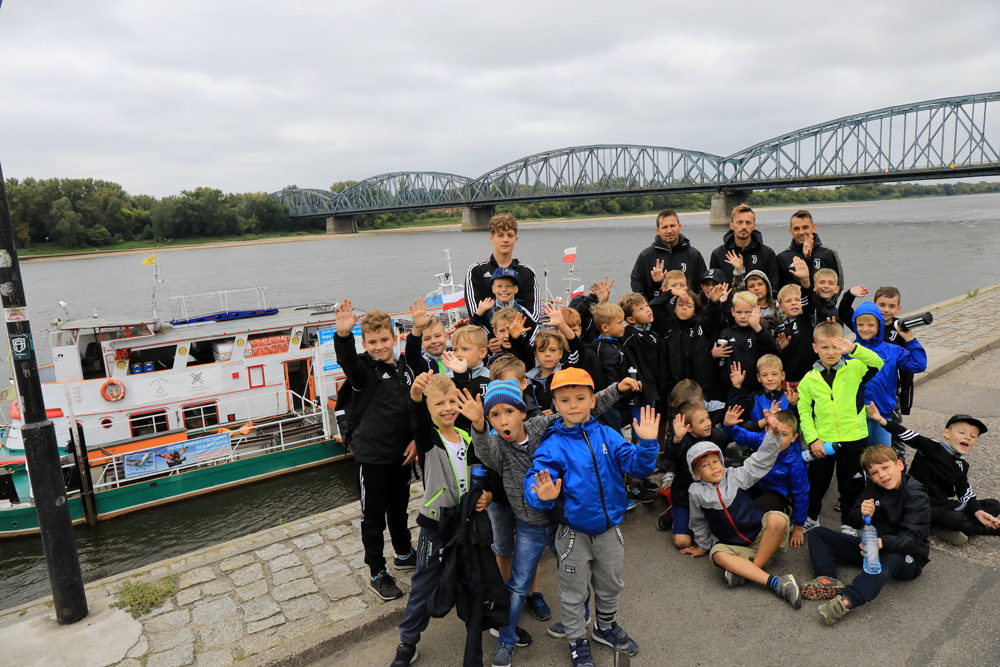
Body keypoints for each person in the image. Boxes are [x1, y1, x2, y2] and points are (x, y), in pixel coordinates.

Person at [465, 375, 637, 667]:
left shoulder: (541, 425)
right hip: (530, 524)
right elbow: (483, 450)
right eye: (494, 415)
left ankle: (578, 623)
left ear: (522, 412)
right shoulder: (497, 446)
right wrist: (479, 426)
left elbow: (582, 408)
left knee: (575, 577)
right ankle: (506, 639)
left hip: (563, 521)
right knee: (519, 583)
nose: (503, 420)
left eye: (509, 411)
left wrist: (617, 389)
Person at [525, 368, 659, 667]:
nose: (573, 405)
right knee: (573, 593)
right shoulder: (553, 445)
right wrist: (541, 494)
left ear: (592, 400)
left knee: (611, 585)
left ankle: (604, 627)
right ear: (555, 405)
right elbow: (535, 480)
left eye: (580, 398)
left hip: (610, 530)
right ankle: (576, 640)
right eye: (565, 400)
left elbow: (637, 467)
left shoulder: (608, 434)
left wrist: (648, 445)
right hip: (573, 534)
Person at [391, 373, 495, 667]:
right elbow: (417, 420)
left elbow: (485, 468)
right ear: (428, 409)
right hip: (435, 527)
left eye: (452, 401)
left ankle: (494, 623)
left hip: (468, 524)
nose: (448, 408)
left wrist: (487, 495)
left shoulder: (468, 436)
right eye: (439, 404)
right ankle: (408, 641)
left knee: (478, 578)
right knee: (424, 583)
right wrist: (415, 396)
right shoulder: (429, 439)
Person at [333, 301, 415, 602]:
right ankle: (377, 571)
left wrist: (416, 440)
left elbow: (414, 408)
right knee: (374, 517)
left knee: (399, 508)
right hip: (373, 458)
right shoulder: (363, 373)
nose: (379, 347)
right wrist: (343, 335)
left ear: (394, 338)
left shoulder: (404, 369)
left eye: (384, 340)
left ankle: (403, 553)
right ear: (364, 344)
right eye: (372, 342)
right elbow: (347, 361)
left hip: (401, 456)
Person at [681, 409, 802, 609]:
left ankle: (751, 572)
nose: (714, 467)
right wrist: (702, 546)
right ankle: (776, 582)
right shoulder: (695, 491)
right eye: (705, 465)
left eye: (716, 461)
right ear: (697, 474)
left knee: (779, 519)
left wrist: (775, 434)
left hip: (763, 541)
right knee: (717, 554)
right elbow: (698, 521)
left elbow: (761, 460)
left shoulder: (735, 476)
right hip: (736, 550)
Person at [801, 445, 930, 626]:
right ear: (870, 477)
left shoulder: (915, 495)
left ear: (900, 465)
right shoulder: (873, 488)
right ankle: (827, 579)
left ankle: (847, 599)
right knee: (819, 533)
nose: (882, 475)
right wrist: (862, 514)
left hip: (906, 556)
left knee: (890, 556)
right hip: (871, 547)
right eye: (875, 472)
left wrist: (882, 542)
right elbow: (852, 519)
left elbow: (912, 540)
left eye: (886, 467)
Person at [796, 322, 884, 535]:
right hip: (823, 442)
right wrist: (813, 439)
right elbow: (804, 412)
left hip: (854, 438)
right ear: (815, 348)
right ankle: (811, 517)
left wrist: (854, 349)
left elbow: (878, 363)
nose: (830, 352)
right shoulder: (808, 380)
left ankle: (849, 523)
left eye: (835, 347)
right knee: (816, 483)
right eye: (824, 347)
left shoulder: (855, 368)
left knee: (851, 485)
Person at [867, 407, 1000, 545]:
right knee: (955, 519)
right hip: (916, 504)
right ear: (946, 433)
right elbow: (907, 435)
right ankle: (979, 528)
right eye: (962, 432)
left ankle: (937, 525)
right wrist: (881, 420)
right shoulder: (931, 447)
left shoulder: (963, 465)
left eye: (973, 436)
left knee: (994, 505)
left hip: (941, 504)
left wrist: (978, 512)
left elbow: (964, 490)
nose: (968, 437)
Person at [723, 406, 809, 548]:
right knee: (734, 496)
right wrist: (728, 425)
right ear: (767, 430)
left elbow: (802, 494)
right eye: (774, 431)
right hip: (755, 483)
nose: (778, 438)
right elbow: (741, 435)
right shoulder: (761, 439)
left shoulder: (795, 464)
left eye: (784, 434)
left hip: (776, 494)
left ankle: (785, 511)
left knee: (754, 510)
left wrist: (798, 528)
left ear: (794, 438)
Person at [850, 302, 927, 455]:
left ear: (879, 326)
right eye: (860, 324)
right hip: (854, 416)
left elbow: (918, 365)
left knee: (881, 455)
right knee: (857, 457)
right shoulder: (849, 350)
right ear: (854, 325)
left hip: (882, 413)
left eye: (871, 325)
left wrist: (910, 339)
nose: (865, 329)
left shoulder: (892, 350)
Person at [466, 214, 539, 322]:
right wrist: (495, 332)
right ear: (492, 238)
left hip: (520, 331)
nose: (505, 240)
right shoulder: (476, 271)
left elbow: (533, 315)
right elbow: (474, 313)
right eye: (500, 235)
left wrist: (514, 332)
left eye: (510, 235)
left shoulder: (527, 272)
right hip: (487, 333)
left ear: (516, 239)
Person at [630, 209, 707, 302]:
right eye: (664, 227)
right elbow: (638, 289)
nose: (669, 231)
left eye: (672, 226)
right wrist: (648, 306)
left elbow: (702, 286)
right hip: (655, 309)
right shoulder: (646, 256)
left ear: (680, 227)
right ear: (658, 231)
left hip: (687, 308)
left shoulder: (694, 255)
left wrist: (694, 304)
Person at [718, 292, 777, 395]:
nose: (743, 316)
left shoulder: (760, 331)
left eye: (748, 312)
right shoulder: (726, 333)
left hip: (756, 389)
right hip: (730, 388)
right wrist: (714, 355)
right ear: (732, 312)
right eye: (739, 312)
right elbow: (719, 363)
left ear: (756, 311)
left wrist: (757, 327)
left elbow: (772, 349)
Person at [710, 204, 780, 289]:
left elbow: (774, 287)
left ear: (754, 226)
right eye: (739, 222)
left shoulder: (767, 253)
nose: (744, 227)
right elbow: (714, 287)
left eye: (748, 223)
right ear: (732, 226)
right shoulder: (718, 254)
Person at [775, 210, 845, 290]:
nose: (801, 232)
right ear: (790, 231)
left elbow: (839, 286)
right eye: (796, 229)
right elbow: (778, 289)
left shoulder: (829, 254)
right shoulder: (782, 258)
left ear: (814, 227)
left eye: (805, 227)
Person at [774, 258, 816, 384]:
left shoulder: (807, 319)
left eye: (798, 300)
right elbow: (776, 357)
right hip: (789, 381)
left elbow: (808, 300)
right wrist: (779, 349)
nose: (794, 303)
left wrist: (805, 281)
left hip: (810, 379)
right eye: (788, 301)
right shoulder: (779, 330)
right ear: (781, 307)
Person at [470, 267, 538, 343]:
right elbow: (471, 331)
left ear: (516, 289)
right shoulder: (486, 311)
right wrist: (478, 313)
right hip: (491, 350)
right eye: (499, 286)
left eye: (509, 286)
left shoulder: (522, 312)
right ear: (493, 289)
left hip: (518, 350)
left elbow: (534, 335)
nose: (504, 290)